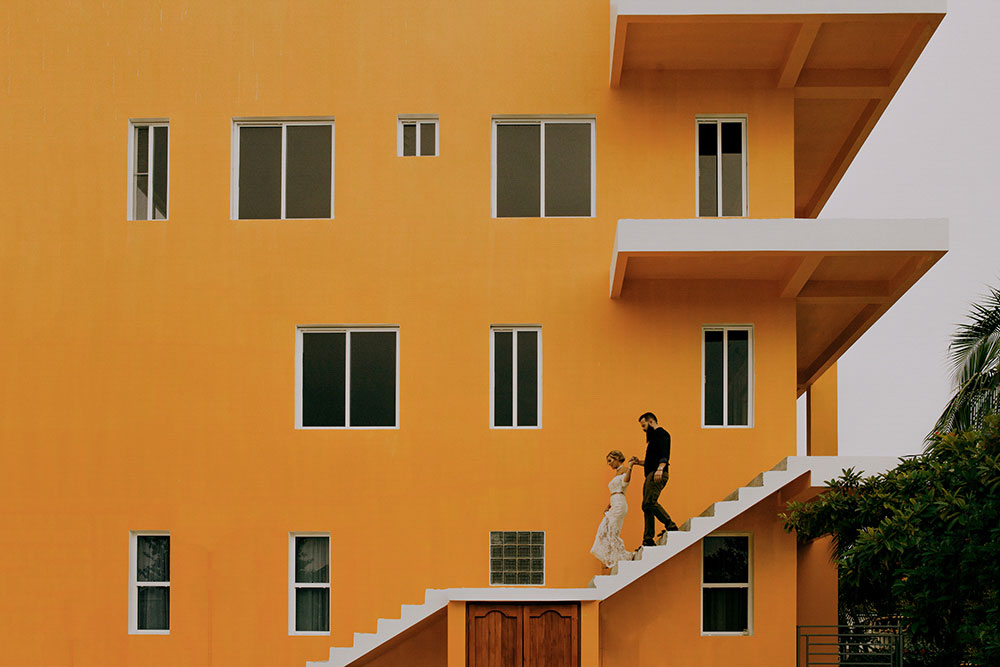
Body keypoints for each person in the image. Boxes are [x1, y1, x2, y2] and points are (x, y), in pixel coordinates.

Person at [629, 412, 678, 547]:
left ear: (651, 422)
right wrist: (638, 462)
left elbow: (665, 453)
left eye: (644, 425)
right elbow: (652, 461)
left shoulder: (662, 434)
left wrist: (661, 468)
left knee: (650, 502)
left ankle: (671, 525)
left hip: (657, 473)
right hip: (651, 473)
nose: (643, 429)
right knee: (646, 505)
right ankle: (648, 539)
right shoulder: (653, 438)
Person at [589, 450, 637, 568]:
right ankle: (611, 558)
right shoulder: (617, 473)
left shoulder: (625, 470)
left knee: (613, 531)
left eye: (610, 461)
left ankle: (619, 558)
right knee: (604, 529)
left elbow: (625, 484)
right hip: (614, 503)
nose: (609, 464)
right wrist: (609, 505)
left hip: (620, 504)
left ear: (617, 459)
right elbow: (614, 491)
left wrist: (630, 467)